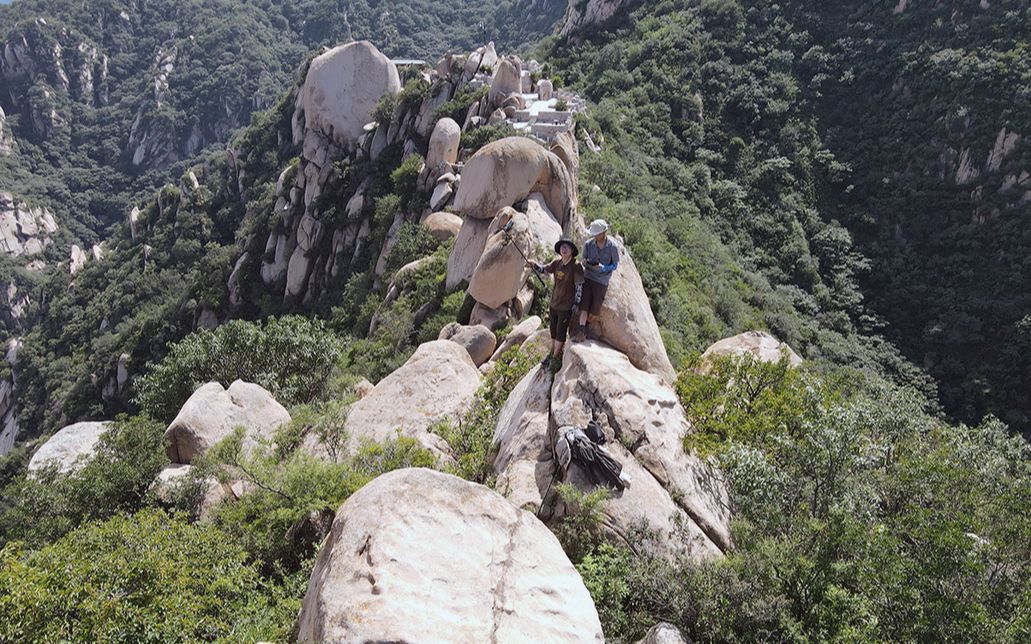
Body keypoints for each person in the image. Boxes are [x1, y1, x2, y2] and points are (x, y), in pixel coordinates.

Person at [529, 238, 584, 371]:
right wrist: (534, 265)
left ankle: (555, 358)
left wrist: (576, 303)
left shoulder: (576, 266)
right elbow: (544, 270)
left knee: (560, 332)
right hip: (554, 304)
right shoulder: (557, 263)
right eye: (562, 246)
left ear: (572, 251)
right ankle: (552, 353)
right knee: (553, 330)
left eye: (567, 247)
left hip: (566, 306)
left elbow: (579, 286)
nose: (564, 249)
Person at [574, 218, 618, 340]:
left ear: (603, 233)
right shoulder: (589, 244)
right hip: (588, 277)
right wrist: (585, 262)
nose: (594, 236)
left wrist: (603, 267)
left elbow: (615, 265)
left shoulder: (612, 247)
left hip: (602, 281)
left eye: (596, 234)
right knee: (583, 305)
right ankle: (581, 331)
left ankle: (586, 327)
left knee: (595, 309)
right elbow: (584, 259)